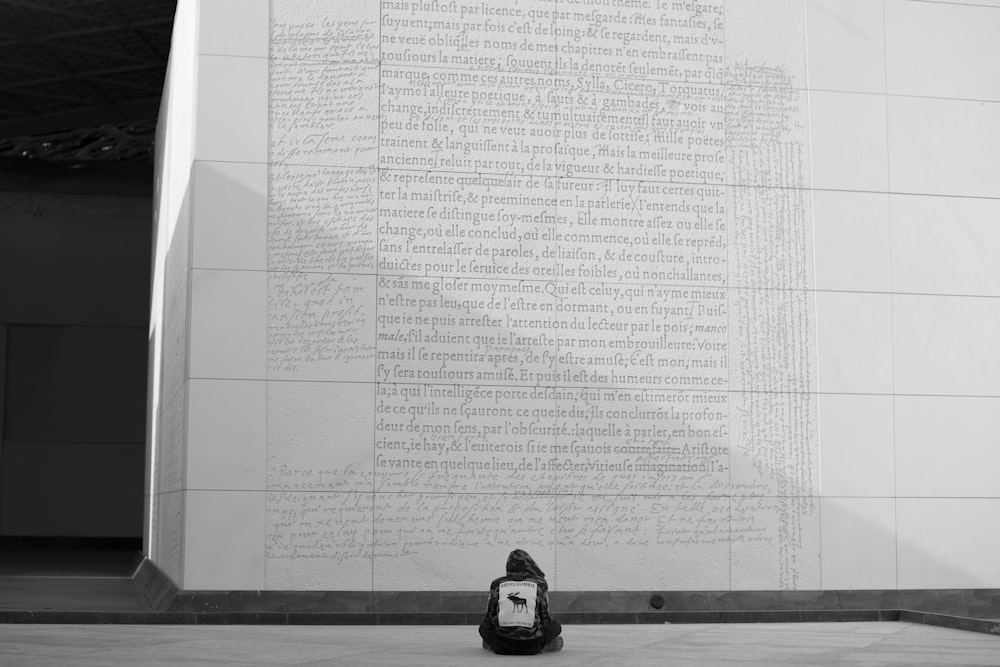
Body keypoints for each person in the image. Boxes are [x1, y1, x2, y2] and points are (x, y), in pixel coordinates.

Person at [479, 549, 563, 654]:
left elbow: (489, 618)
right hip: (532, 646)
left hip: (501, 646)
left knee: (482, 627)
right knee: (556, 627)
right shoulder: (540, 583)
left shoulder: (497, 584)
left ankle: (490, 643)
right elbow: (545, 619)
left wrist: (489, 634)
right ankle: (545, 644)